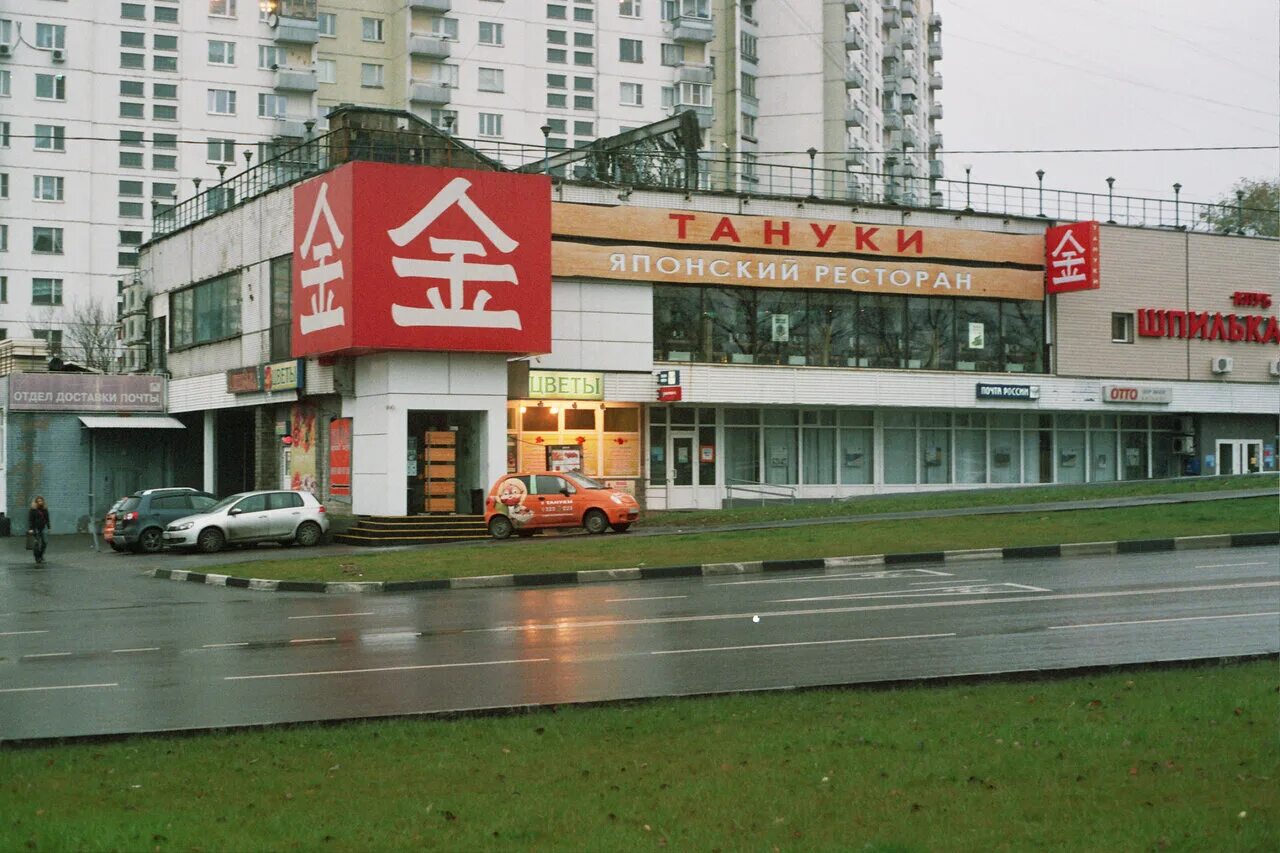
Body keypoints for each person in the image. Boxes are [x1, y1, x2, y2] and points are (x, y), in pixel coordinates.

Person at [27, 496, 50, 565]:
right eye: (38, 501)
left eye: (41, 501)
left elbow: (47, 519)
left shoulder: (45, 509)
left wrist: (49, 527)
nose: (40, 502)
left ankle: (41, 555)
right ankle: (37, 558)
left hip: (43, 528)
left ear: (43, 501)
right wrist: (30, 529)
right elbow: (30, 520)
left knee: (45, 542)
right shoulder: (32, 510)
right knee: (36, 544)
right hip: (35, 528)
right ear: (36, 502)